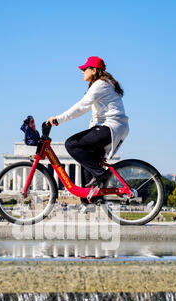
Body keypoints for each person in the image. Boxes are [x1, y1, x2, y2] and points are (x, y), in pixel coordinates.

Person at [47, 56, 129, 208]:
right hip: (115, 127)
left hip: (110, 127)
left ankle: (101, 175)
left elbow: (81, 107)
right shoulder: (104, 84)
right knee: (87, 158)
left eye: (85, 69)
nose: (82, 72)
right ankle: (89, 201)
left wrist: (58, 119)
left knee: (71, 144)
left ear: (94, 70)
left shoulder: (100, 84)